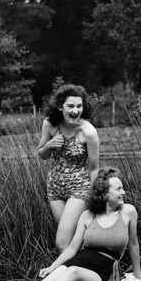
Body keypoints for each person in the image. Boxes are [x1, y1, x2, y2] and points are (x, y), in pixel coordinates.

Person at [9, 167, 141, 281]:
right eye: (119, 189)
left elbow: (133, 244)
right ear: (105, 194)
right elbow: (73, 248)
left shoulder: (128, 211)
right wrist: (52, 267)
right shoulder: (87, 215)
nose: (124, 192)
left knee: (72, 272)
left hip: (102, 274)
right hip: (78, 262)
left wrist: (138, 274)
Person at [38, 84, 100, 252]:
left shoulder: (88, 132)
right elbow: (42, 154)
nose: (75, 110)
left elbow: (94, 169)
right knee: (73, 240)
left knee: (62, 243)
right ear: (60, 106)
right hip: (55, 188)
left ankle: (70, 275)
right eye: (70, 106)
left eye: (79, 106)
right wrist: (49, 145)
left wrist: (93, 198)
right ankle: (82, 272)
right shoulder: (50, 124)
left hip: (79, 188)